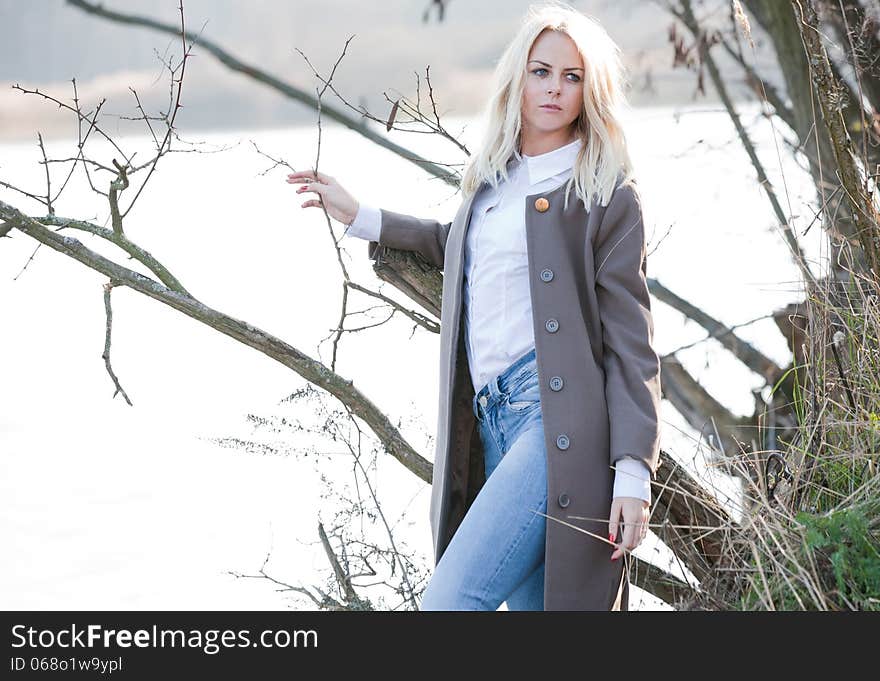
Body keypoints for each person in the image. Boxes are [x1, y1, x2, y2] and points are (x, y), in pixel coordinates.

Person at [286, 1, 662, 611]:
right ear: (518, 77)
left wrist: (633, 475)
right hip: (491, 427)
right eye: (542, 72)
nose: (555, 89)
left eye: (573, 78)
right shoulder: (494, 181)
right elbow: (461, 251)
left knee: (450, 603)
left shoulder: (602, 193)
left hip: (554, 426)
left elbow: (633, 345)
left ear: (590, 92)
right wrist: (365, 217)